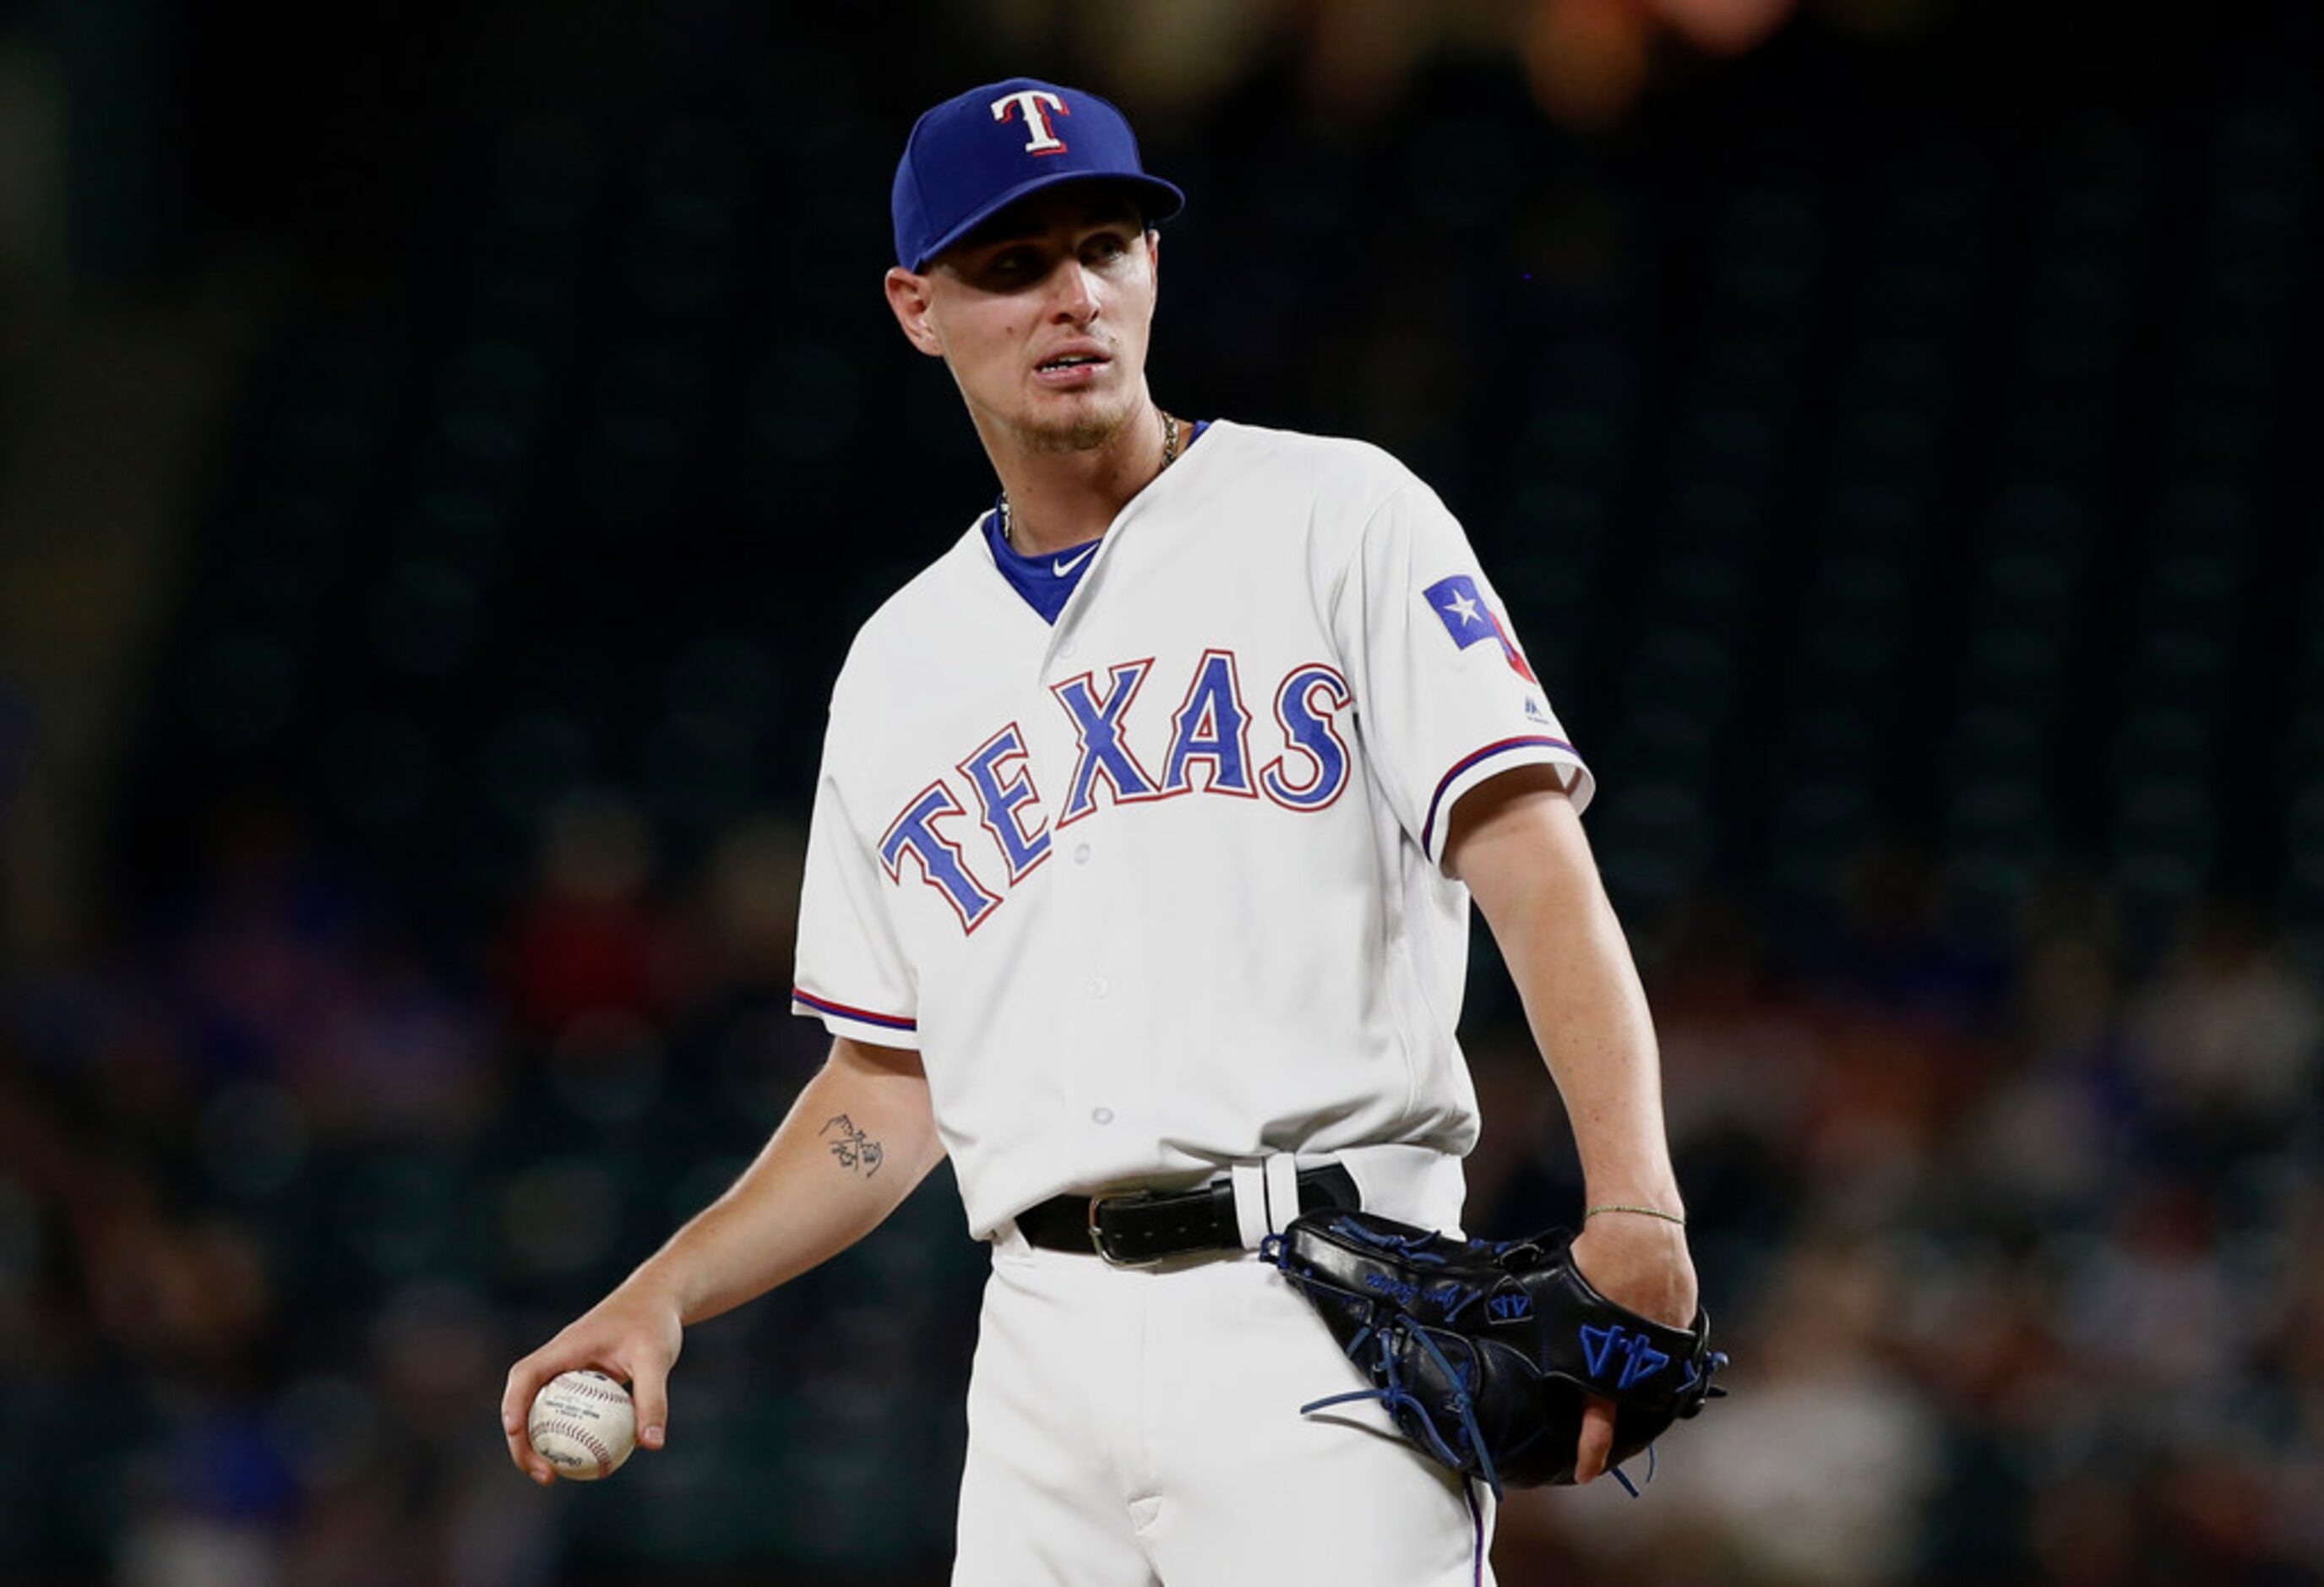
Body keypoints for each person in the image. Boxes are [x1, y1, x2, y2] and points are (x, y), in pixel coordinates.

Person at [502, 76, 1699, 1585]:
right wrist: (665, 1290)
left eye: (1106, 245)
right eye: (1011, 264)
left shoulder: (1340, 516)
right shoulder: (899, 663)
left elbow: (1536, 869)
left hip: (1324, 1314)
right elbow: (892, 1080)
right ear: (915, 306)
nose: (1071, 295)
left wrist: (1635, 1198)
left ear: (1153, 267)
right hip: (1039, 1360)